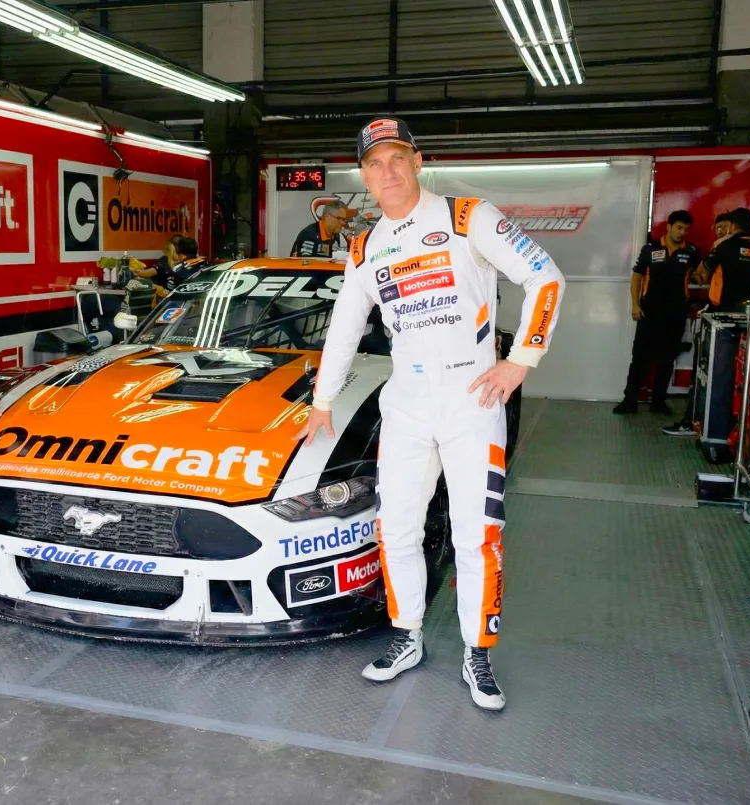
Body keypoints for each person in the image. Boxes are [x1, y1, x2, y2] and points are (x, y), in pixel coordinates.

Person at [296, 117, 566, 711]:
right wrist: (322, 401)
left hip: (473, 403)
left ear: (417, 160)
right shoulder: (365, 245)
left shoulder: (469, 216)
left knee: (477, 536)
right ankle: (407, 637)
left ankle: (478, 652)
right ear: (363, 175)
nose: (386, 171)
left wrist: (521, 361)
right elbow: (344, 326)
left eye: (396, 158)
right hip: (408, 405)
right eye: (374, 164)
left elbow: (545, 277)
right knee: (396, 530)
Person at [662, 207, 750, 436]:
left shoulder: (724, 247)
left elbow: (703, 273)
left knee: (705, 374)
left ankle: (694, 422)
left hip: (720, 321)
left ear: (731, 226)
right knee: (739, 376)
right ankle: (731, 428)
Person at [613, 211, 699, 415]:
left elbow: (700, 274)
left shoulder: (692, 251)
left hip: (676, 314)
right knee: (640, 359)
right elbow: (636, 277)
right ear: (668, 227)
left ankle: (658, 402)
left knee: (666, 360)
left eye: (686, 229)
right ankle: (630, 401)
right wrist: (635, 305)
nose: (682, 232)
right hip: (649, 313)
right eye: (679, 227)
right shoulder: (650, 249)